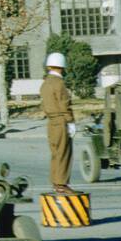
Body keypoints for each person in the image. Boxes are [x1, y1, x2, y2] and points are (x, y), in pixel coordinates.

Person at [41, 51, 76, 193]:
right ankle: (62, 184)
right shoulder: (59, 83)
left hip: (51, 122)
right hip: (61, 120)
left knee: (55, 152)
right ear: (62, 67)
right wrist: (71, 121)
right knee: (64, 152)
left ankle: (56, 182)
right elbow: (64, 104)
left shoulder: (45, 84)